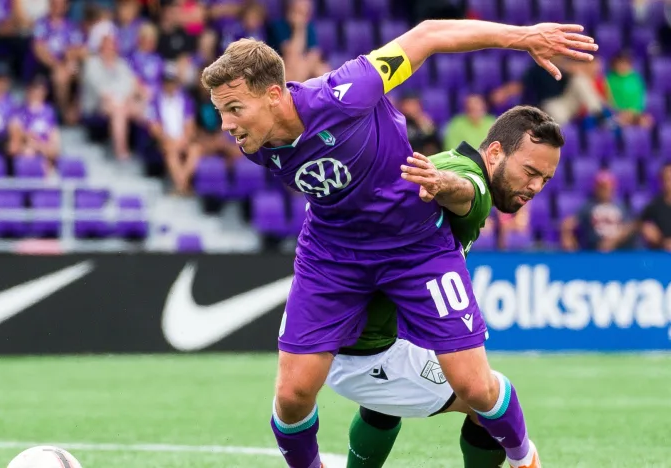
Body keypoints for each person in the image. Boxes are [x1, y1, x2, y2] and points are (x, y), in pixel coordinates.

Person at [200, 19, 596, 468]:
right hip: (332, 254)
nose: (226, 124)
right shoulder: (255, 141)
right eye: (221, 111)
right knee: (292, 397)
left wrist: (521, 38)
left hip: (415, 246)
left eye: (234, 108)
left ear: (274, 95)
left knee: (474, 387)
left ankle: (525, 459)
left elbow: (427, 35)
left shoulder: (346, 91)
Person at [325, 106, 563, 468]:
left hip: (343, 337)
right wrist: (443, 185)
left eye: (545, 179)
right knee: (493, 401)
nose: (535, 187)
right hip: (360, 353)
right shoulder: (470, 178)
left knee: (387, 403)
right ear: (495, 152)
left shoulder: (448, 160)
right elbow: (464, 189)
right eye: (530, 172)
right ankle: (527, 461)